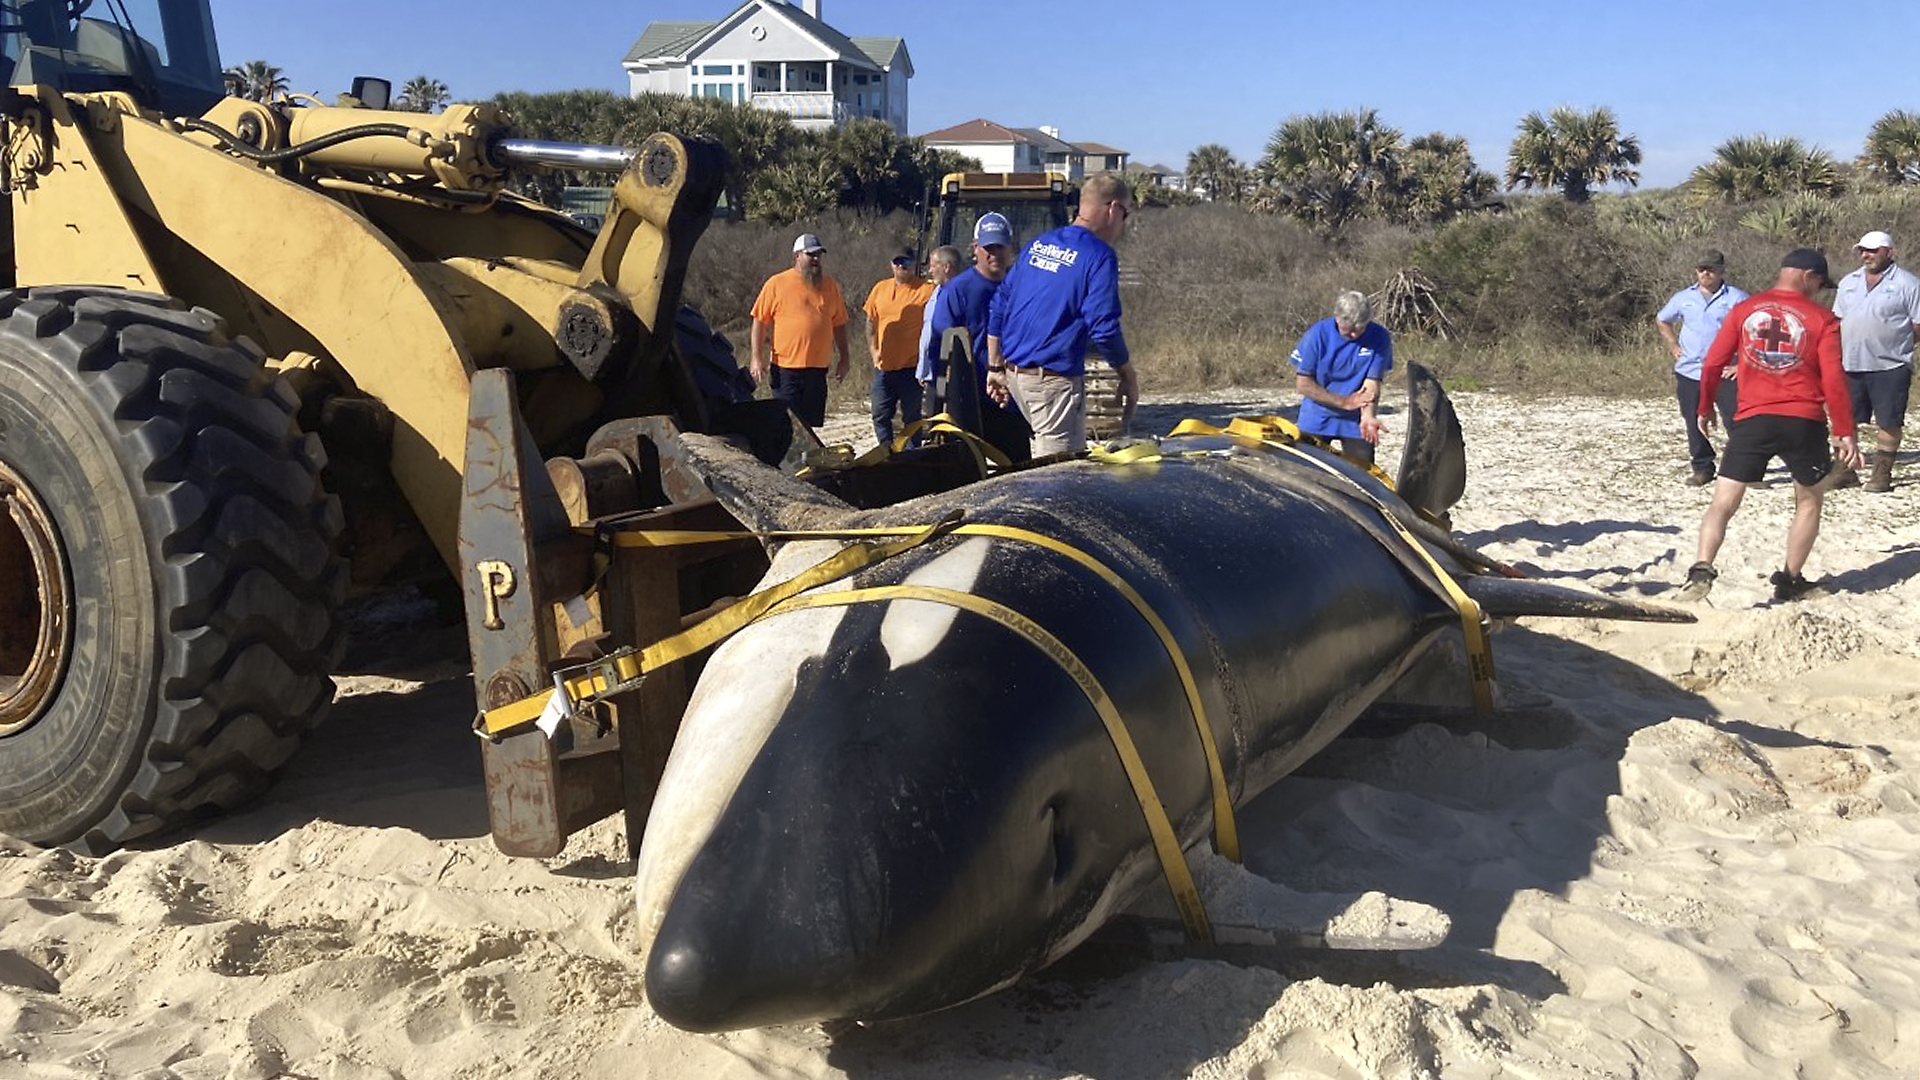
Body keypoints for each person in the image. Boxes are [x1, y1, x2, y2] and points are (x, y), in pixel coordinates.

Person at [1679, 248, 1862, 604]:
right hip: (1803, 420)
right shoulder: (1822, 319)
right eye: (1820, 283)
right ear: (1808, 276)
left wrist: (1704, 407)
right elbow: (1835, 380)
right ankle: (1791, 580)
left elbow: (1713, 362)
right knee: (1808, 501)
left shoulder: (1743, 310)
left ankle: (1702, 568)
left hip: (1752, 418)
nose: (1820, 290)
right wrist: (1845, 431)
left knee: (1723, 502)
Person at [983, 174, 1137, 455]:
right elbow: (1103, 327)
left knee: (1052, 468)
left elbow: (1000, 303)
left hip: (1017, 377)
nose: (1122, 224)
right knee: (1058, 483)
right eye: (1124, 214)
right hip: (1051, 383)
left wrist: (994, 367)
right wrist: (1128, 375)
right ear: (1113, 208)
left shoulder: (1040, 243)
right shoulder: (1099, 255)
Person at [928, 213, 1031, 461]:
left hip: (1011, 401)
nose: (993, 253)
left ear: (1010, 248)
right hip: (969, 403)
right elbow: (940, 346)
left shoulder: (1023, 287)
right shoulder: (957, 290)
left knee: (1019, 474)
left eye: (1000, 246)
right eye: (988, 247)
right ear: (975, 249)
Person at [1830, 229, 1920, 492]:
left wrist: (1896, 342)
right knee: (1843, 417)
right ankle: (1844, 469)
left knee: (1889, 420)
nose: (1865, 255)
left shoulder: (1908, 284)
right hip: (1851, 362)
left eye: (1872, 250)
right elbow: (1837, 320)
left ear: (1888, 252)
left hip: (1890, 364)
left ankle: (1882, 472)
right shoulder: (1848, 282)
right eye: (1862, 250)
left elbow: (1918, 324)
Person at [1656, 249, 1749, 485]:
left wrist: (1743, 363)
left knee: (1737, 419)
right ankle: (1702, 467)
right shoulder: (1683, 298)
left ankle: (1744, 468)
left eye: (1710, 269)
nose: (1705, 273)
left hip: (1725, 371)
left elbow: (1754, 330)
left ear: (1722, 271)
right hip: (1690, 371)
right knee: (1694, 419)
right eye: (1701, 269)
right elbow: (1662, 319)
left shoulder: (1737, 298)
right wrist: (1673, 345)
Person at [749, 233, 850, 429]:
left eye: (818, 255)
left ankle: (807, 461)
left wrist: (845, 358)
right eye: (810, 255)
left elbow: (839, 324)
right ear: (796, 256)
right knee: (786, 425)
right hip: (786, 369)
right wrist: (756, 357)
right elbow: (759, 321)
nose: (815, 259)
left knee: (811, 427)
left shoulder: (830, 285)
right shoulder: (776, 283)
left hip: (817, 370)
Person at [1288, 290, 1392, 465]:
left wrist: (1368, 415)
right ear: (1337, 318)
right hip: (1317, 416)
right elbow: (1303, 384)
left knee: (1363, 475)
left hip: (1355, 421)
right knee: (1307, 470)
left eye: (1359, 330)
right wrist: (1344, 402)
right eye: (1349, 330)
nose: (1353, 335)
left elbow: (1372, 382)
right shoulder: (1318, 334)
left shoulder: (1379, 337)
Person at [863, 251, 933, 446]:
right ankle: (886, 452)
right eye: (898, 262)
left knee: (912, 418)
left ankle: (912, 455)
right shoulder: (880, 288)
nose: (902, 266)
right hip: (884, 368)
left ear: (915, 265)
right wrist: (873, 351)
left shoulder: (927, 290)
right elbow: (870, 321)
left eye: (907, 262)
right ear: (892, 264)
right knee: (880, 414)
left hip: (912, 368)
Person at [916, 245, 964, 414]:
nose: (930, 271)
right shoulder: (937, 292)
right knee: (931, 419)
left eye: (933, 265)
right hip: (933, 371)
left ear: (946, 267)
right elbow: (929, 332)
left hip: (950, 373)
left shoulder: (959, 293)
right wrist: (923, 368)